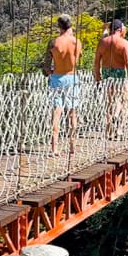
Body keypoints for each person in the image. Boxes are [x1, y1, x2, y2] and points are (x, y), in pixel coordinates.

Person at [43, 14, 82, 155]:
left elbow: (46, 66)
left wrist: (49, 72)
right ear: (70, 26)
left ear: (59, 27)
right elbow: (77, 62)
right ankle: (72, 146)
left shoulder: (53, 42)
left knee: (56, 112)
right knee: (72, 113)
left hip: (57, 79)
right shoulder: (77, 42)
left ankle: (54, 148)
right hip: (72, 78)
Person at [94, 19, 128, 139]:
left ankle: (109, 131)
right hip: (119, 72)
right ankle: (120, 129)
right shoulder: (124, 43)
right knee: (123, 100)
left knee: (110, 101)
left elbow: (96, 62)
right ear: (120, 29)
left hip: (106, 72)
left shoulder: (102, 42)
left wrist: (98, 77)